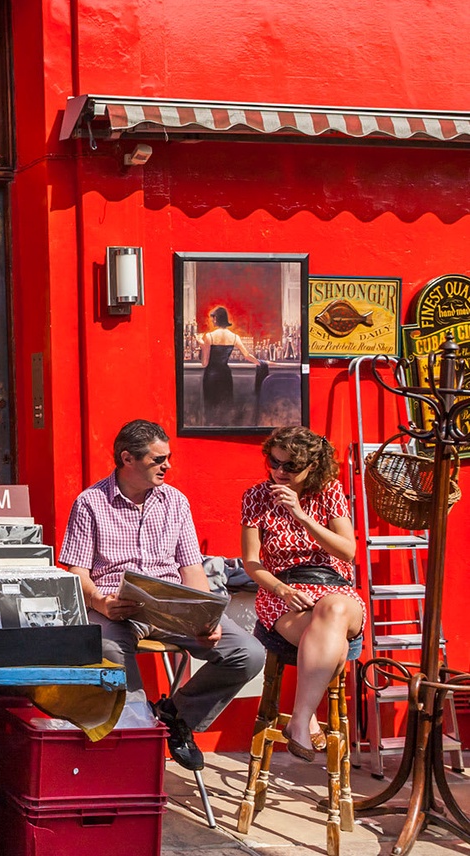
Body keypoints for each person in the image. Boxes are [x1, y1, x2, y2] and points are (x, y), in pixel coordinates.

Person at [60, 419, 265, 771]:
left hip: (172, 604)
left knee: (247, 653)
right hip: (116, 605)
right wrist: (100, 603)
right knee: (106, 649)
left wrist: (206, 616)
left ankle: (175, 715)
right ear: (128, 459)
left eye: (168, 458)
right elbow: (76, 572)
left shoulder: (175, 502)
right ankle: (139, 735)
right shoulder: (90, 502)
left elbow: (191, 567)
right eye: (158, 460)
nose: (167, 466)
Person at [241, 425, 363, 760]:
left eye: (290, 467)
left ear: (313, 467)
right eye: (274, 463)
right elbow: (251, 562)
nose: (279, 472)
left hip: (334, 586)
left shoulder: (329, 491)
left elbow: (347, 552)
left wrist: (301, 515)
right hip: (285, 591)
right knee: (331, 639)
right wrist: (280, 589)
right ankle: (305, 719)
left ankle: (300, 718)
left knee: (334, 609)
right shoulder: (256, 496)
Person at [198, 306, 259, 418]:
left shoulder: (209, 337)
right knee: (225, 407)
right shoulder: (235, 337)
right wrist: (260, 363)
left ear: (216, 319)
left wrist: (202, 345)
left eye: (213, 318)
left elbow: (204, 363)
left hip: (211, 375)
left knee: (210, 408)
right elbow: (247, 355)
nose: (212, 321)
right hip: (225, 375)